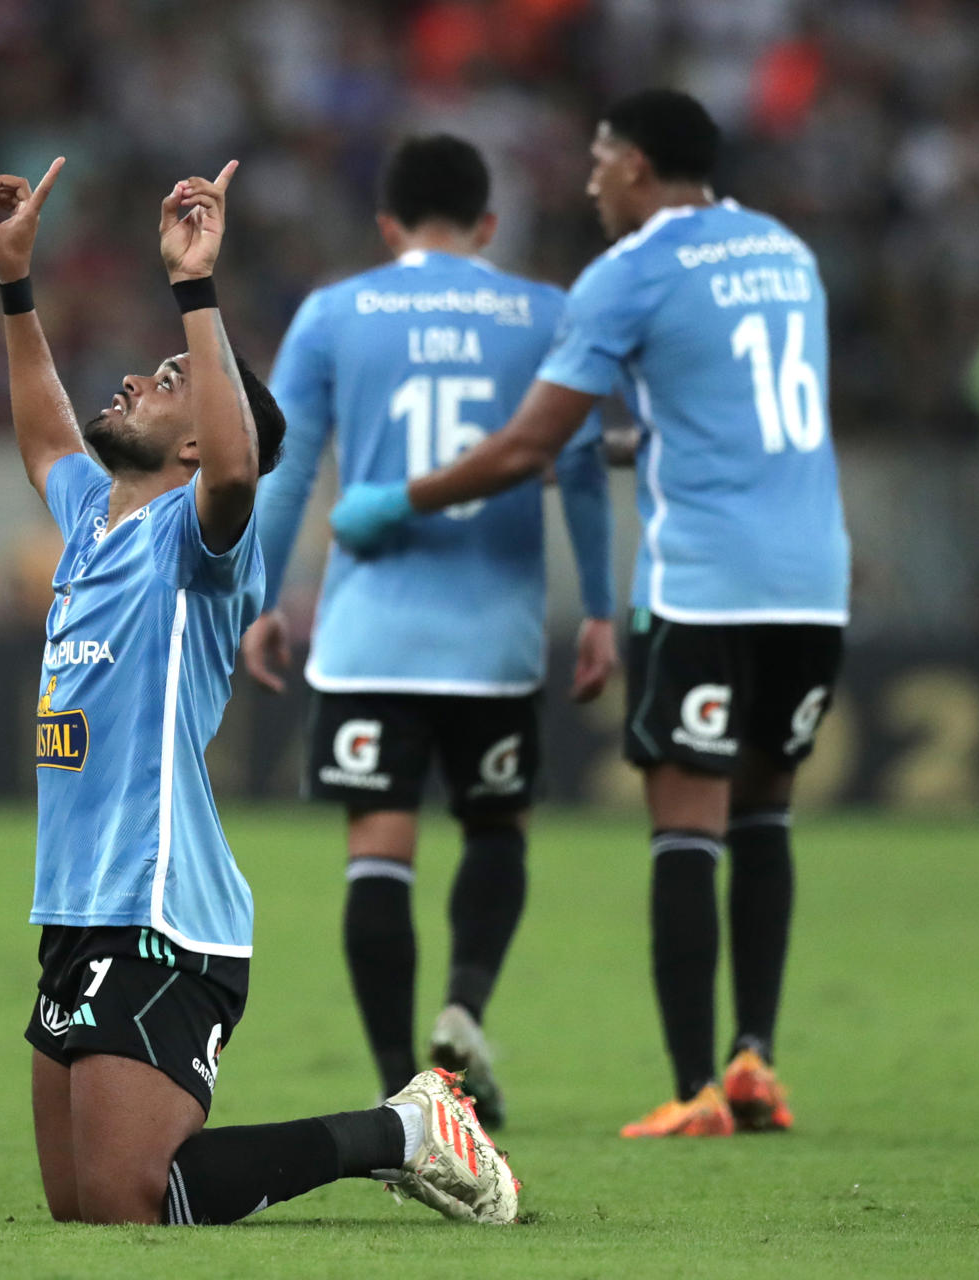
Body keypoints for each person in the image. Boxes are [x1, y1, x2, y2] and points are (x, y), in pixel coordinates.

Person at [0, 156, 517, 1225]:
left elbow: (233, 470)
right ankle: (398, 1126)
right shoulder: (95, 515)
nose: (132, 379)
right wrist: (14, 285)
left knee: (135, 1200)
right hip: (75, 909)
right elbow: (43, 432)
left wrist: (197, 291)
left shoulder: (198, 538)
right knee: (82, 1209)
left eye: (166, 380)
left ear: (194, 440)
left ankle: (404, 1128)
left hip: (163, 912)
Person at [330, 90, 850, 1139]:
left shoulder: (631, 273)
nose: (588, 180)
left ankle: (692, 1084)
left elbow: (526, 444)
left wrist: (401, 496)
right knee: (766, 810)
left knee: (685, 823)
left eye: (601, 158)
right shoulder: (786, 251)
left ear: (641, 168)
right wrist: (622, 449)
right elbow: (723, 417)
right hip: (814, 576)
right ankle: (756, 1058)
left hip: (708, 581)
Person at [242, 134, 616, 1126]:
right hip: (493, 634)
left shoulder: (335, 311)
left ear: (386, 225)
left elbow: (285, 467)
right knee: (497, 827)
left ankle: (393, 1077)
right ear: (489, 225)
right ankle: (465, 1005)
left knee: (380, 845)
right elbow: (579, 466)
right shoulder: (544, 312)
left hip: (371, 632)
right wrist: (605, 607)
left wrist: (263, 599)